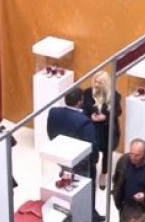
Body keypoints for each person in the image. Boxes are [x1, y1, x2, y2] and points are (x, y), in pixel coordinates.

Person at [47, 88, 102, 221]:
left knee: (67, 182)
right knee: (86, 188)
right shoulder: (84, 121)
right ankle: (88, 215)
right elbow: (92, 146)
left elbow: (50, 132)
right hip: (82, 162)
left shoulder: (54, 112)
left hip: (62, 157)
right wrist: (93, 161)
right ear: (80, 101)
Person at [82, 71, 122, 190]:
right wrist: (90, 116)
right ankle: (90, 170)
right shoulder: (87, 93)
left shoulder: (114, 95)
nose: (96, 84)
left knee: (106, 152)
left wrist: (105, 117)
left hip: (106, 128)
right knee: (90, 150)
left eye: (99, 82)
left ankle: (104, 174)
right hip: (92, 127)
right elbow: (84, 109)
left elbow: (118, 111)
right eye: (95, 81)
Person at [112, 139, 145, 215]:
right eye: (131, 153)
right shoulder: (124, 160)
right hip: (125, 207)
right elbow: (117, 179)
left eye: (137, 155)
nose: (133, 157)